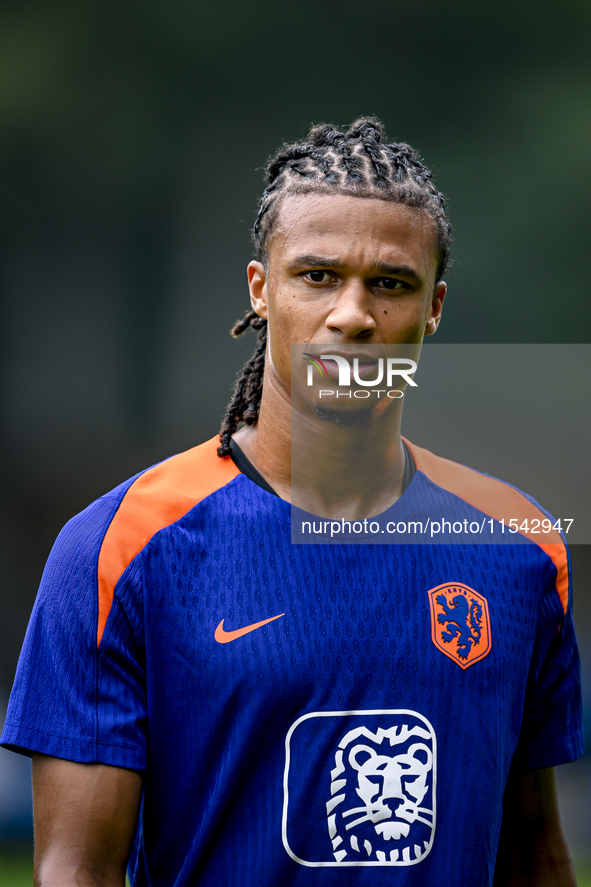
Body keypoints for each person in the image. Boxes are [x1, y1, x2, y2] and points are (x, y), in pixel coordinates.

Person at [1, 118, 583, 886]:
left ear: (433, 306)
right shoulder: (119, 547)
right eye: (317, 275)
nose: (352, 314)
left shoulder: (516, 545)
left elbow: (533, 854)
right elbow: (76, 870)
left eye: (390, 283)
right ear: (261, 289)